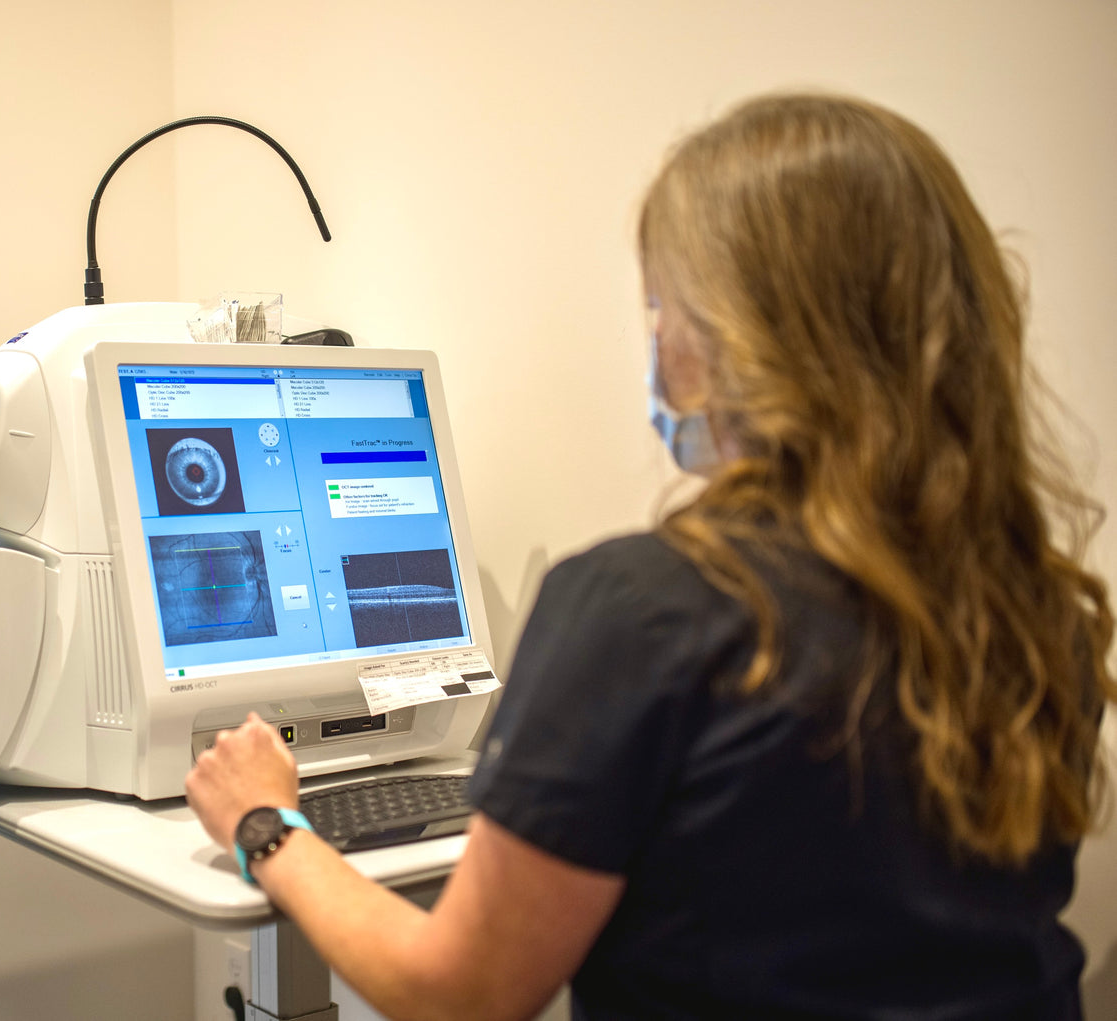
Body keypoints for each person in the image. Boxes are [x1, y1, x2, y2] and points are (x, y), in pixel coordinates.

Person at [185, 94, 1116, 1020]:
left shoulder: (642, 610)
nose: (656, 336)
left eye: (665, 304)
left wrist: (266, 823)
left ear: (733, 341)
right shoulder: (1032, 611)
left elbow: (455, 992)